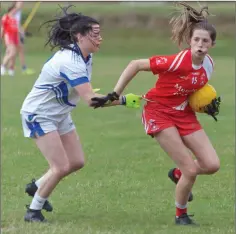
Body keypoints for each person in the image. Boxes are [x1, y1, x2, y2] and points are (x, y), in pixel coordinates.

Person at [91, 2, 221, 225]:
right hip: (158, 113)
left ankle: (178, 175)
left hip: (184, 114)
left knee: (211, 165)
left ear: (212, 44)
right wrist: (115, 93)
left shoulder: (208, 65)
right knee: (190, 168)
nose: (200, 44)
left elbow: (194, 90)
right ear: (190, 41)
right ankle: (181, 215)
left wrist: (203, 104)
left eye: (205, 41)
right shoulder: (177, 61)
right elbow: (135, 64)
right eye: (196, 40)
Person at [21, 5, 140, 223]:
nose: (100, 39)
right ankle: (33, 210)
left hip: (60, 113)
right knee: (60, 167)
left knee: (76, 162)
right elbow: (92, 101)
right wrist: (124, 100)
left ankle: (36, 186)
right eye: (95, 35)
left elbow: (84, 91)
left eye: (100, 34)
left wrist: (108, 96)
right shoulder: (70, 61)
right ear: (79, 36)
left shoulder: (85, 56)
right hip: (39, 114)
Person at [1, 1, 35, 76]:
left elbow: (18, 27)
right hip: (9, 36)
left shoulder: (15, 17)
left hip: (15, 36)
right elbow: (3, 28)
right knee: (12, 52)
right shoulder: (6, 16)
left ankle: (11, 69)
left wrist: (23, 33)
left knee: (12, 52)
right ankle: (3, 66)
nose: (21, 4)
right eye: (20, 3)